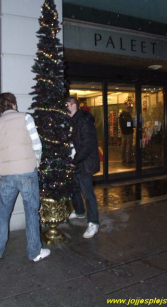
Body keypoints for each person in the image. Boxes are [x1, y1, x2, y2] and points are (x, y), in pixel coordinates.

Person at [0, 92, 50, 262]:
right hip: (26, 171)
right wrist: (35, 162)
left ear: (1, 107)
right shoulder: (25, 118)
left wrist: (2, 172)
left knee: (3, 213)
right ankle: (34, 252)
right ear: (14, 104)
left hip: (6, 175)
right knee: (31, 212)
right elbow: (36, 144)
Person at [67, 97, 100, 239]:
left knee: (88, 193)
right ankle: (80, 211)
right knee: (74, 188)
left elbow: (88, 145)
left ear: (74, 105)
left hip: (84, 163)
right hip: (74, 161)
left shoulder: (84, 122)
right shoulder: (70, 121)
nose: (64, 107)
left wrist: (75, 161)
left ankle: (93, 222)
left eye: (66, 104)